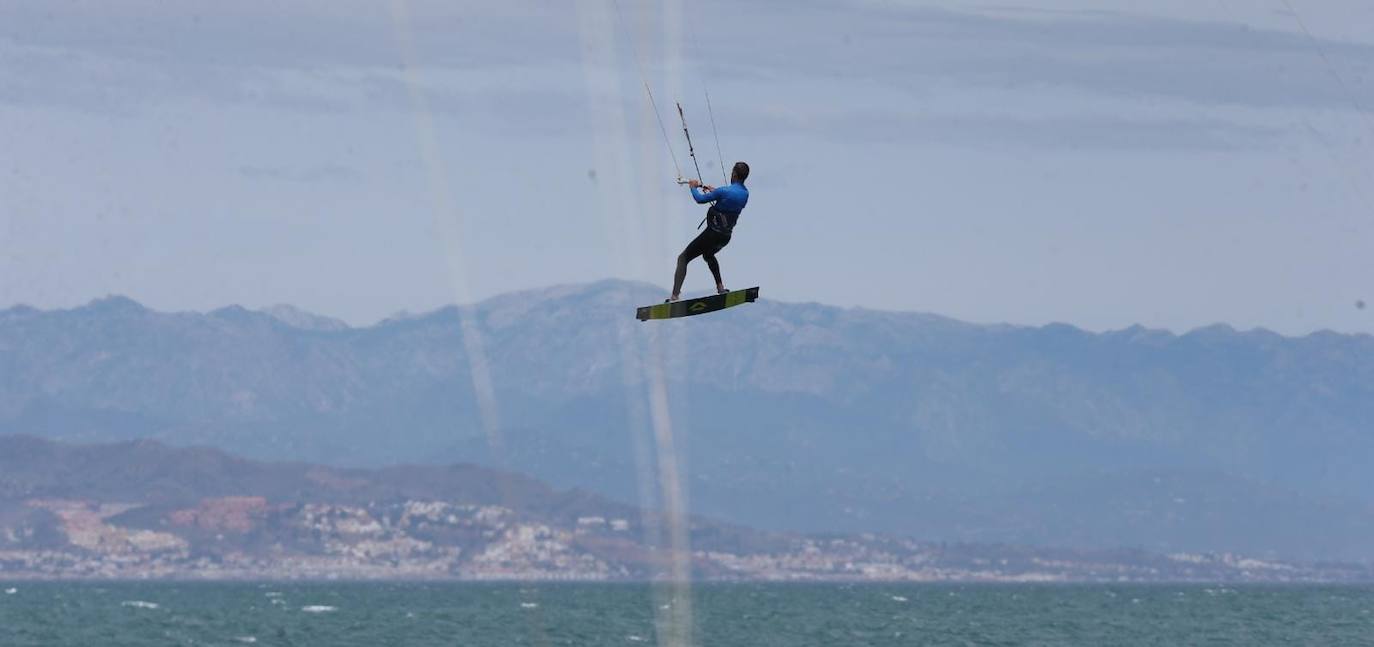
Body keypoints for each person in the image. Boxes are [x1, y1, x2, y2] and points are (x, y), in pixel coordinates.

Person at [668, 161, 750, 302]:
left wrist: (692, 187)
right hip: (725, 237)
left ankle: (674, 296)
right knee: (708, 254)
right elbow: (729, 198)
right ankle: (720, 287)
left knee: (683, 259)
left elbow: (700, 199)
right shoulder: (745, 194)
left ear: (734, 174)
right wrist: (715, 192)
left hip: (712, 235)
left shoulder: (723, 192)